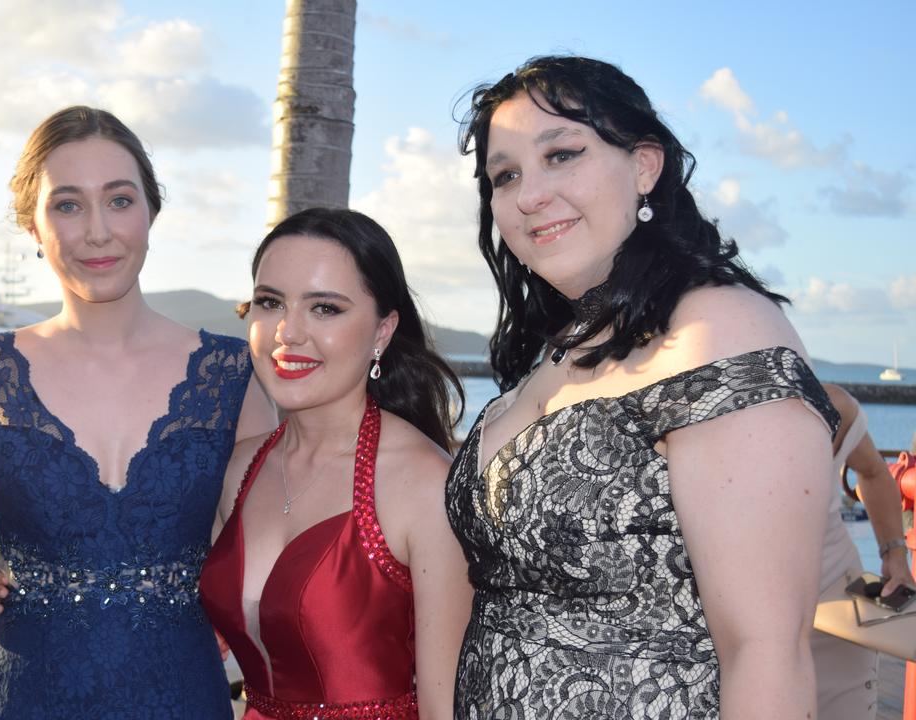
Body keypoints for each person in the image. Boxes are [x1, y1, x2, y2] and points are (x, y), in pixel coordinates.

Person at [446, 55, 838, 719]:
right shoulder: (556, 349)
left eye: (562, 154)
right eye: (504, 175)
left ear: (645, 166)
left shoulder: (717, 328)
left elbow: (766, 651)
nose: (528, 195)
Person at [0, 106, 273, 719]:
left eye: (119, 200)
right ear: (33, 228)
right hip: (25, 698)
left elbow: (272, 553)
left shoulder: (231, 375)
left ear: (151, 212)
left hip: (183, 697)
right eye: (67, 205)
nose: (98, 231)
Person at [198, 208, 473, 719]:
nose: (288, 332)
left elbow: (445, 709)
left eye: (324, 308)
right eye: (269, 302)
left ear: (382, 331)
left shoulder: (422, 484)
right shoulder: (238, 471)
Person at [814, 382, 915, 719]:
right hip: (731, 626)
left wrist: (895, 556)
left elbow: (872, 471)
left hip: (834, 613)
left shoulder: (830, 402)